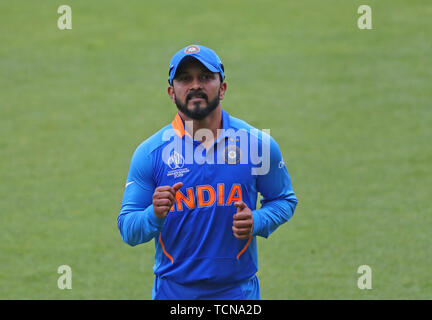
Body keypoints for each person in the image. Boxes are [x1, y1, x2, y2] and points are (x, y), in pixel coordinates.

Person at [117, 44, 298, 300]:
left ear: (222, 87)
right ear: (171, 92)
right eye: (184, 79)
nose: (195, 85)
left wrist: (257, 221)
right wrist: (153, 214)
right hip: (173, 294)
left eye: (205, 77)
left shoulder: (257, 145)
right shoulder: (151, 154)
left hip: (238, 294)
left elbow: (283, 200)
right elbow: (128, 228)